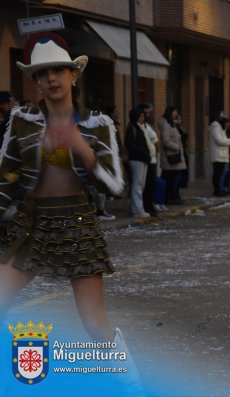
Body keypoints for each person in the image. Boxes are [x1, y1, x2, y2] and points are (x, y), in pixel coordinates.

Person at [0, 33, 142, 390]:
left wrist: (81, 148)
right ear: (35, 80)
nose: (52, 77)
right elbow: (4, 179)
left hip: (78, 226)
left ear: (73, 75)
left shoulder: (96, 125)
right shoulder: (21, 121)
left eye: (59, 70)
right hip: (30, 226)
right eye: (43, 72)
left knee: (95, 326)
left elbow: (114, 185)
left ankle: (131, 384)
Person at [125, 108, 151, 218]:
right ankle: (138, 210)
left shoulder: (140, 128)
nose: (143, 118)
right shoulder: (131, 128)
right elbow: (129, 144)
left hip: (143, 159)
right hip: (136, 159)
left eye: (143, 116)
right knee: (137, 185)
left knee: (141, 184)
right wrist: (141, 152)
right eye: (140, 116)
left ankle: (139, 208)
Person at [159, 106, 187, 206]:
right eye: (175, 112)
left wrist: (180, 125)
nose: (177, 114)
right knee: (171, 179)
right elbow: (166, 141)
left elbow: (183, 136)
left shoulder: (173, 124)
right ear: (170, 113)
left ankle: (174, 196)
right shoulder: (166, 124)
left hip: (175, 156)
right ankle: (169, 197)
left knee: (175, 178)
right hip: (170, 157)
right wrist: (177, 147)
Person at [138, 103, 159, 215]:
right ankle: (146, 205)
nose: (150, 115)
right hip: (146, 159)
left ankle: (150, 204)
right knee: (147, 184)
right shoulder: (139, 126)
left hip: (153, 159)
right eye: (148, 113)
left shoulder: (147, 126)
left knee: (153, 184)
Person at [209, 112, 230, 197]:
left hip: (223, 155)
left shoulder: (222, 128)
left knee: (223, 173)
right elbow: (219, 140)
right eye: (227, 123)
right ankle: (218, 190)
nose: (228, 125)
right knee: (219, 174)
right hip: (218, 155)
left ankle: (221, 189)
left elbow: (223, 139)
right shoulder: (215, 127)